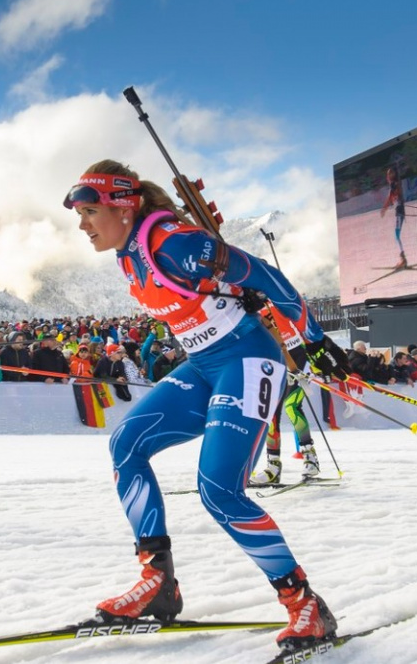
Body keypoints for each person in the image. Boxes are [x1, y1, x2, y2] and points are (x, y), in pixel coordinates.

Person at [64, 160, 351, 651]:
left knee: (219, 489)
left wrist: (314, 339)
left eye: (90, 211)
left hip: (248, 360)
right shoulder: (127, 253)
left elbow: (268, 277)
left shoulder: (175, 243)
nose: (82, 223)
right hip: (203, 364)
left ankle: (304, 605)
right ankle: (157, 581)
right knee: (125, 444)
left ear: (125, 207)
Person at [250, 379, 322, 485]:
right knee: (270, 414)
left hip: (298, 367)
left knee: (291, 407)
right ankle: (273, 466)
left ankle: (310, 457)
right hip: (277, 367)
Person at [379, 165, 409, 269]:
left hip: (399, 211)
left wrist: (384, 209)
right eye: (387, 174)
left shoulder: (393, 184)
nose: (387, 176)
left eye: (389, 174)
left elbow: (389, 199)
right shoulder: (395, 184)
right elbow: (392, 198)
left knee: (396, 235)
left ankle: (403, 259)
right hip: (399, 210)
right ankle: (403, 259)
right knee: (396, 235)